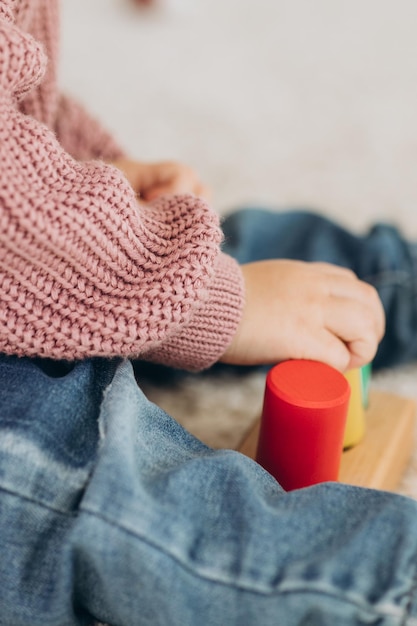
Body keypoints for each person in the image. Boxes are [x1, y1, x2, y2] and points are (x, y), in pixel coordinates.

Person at [1, 1, 417, 624]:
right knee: (63, 463)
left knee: (208, 244)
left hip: (36, 239)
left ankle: (391, 275)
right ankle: (365, 572)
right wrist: (221, 303)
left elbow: (21, 90)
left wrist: (88, 169)